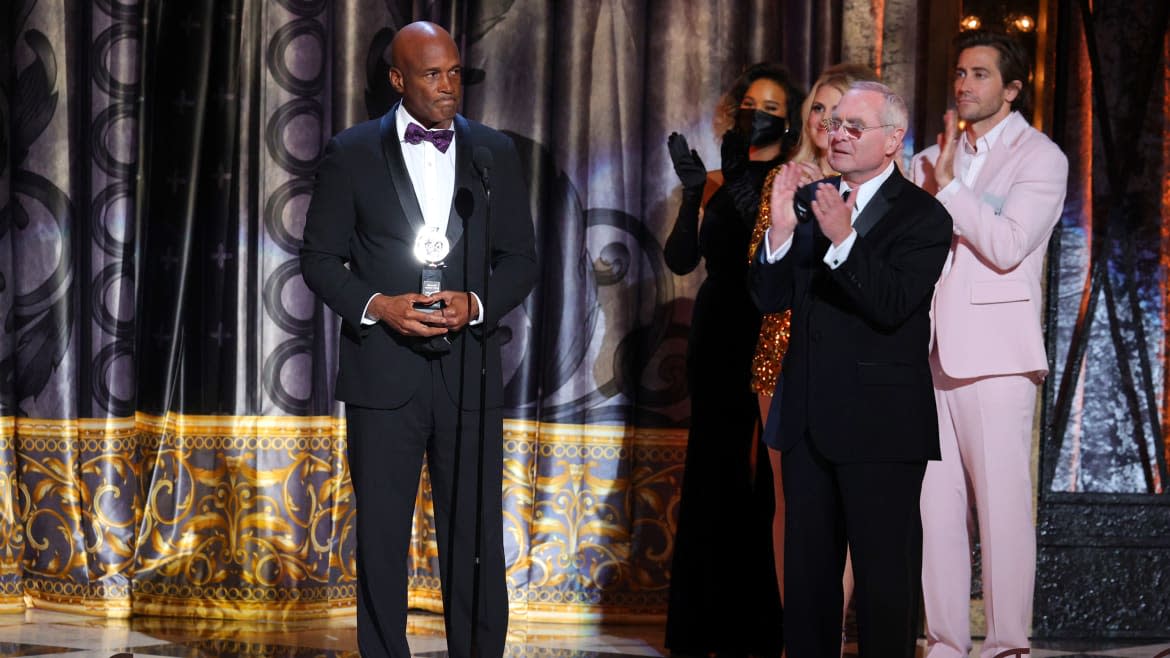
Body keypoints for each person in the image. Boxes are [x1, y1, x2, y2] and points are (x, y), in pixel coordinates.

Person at [300, 21, 537, 658]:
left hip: (470, 375)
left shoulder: (493, 153)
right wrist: (379, 306)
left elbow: (521, 259)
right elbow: (318, 259)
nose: (449, 85)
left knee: (476, 538)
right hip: (384, 375)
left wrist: (477, 303)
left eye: (456, 71)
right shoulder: (350, 152)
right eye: (433, 74)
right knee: (380, 539)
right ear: (398, 80)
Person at [752, 81, 952, 658]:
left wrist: (843, 237)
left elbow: (892, 304)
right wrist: (781, 232)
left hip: (882, 427)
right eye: (834, 123)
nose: (836, 134)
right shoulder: (812, 200)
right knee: (809, 586)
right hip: (809, 419)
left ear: (892, 141)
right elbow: (769, 299)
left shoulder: (924, 217)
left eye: (853, 127)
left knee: (884, 585)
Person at [911, 30, 1068, 658]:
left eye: (979, 74)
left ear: (1011, 87)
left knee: (1001, 508)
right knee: (936, 512)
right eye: (959, 73)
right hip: (926, 353)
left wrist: (950, 189)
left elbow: (1006, 245)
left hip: (998, 355)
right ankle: (945, 641)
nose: (963, 85)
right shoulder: (928, 156)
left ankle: (1006, 643)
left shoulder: (1040, 157)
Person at [663, 62, 805, 658]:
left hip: (772, 329)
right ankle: (699, 627)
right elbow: (678, 261)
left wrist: (745, 178)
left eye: (769, 106)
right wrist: (696, 193)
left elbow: (768, 248)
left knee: (766, 480)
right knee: (713, 469)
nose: (756, 114)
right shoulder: (718, 179)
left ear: (789, 118)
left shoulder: (799, 180)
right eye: (748, 104)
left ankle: (759, 627)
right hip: (718, 329)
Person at [748, 62, 878, 631]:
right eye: (819, 109)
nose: (828, 121)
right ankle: (796, 633)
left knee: (843, 505)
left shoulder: (874, 191)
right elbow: (762, 273)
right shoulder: (787, 178)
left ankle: (828, 630)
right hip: (779, 356)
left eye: (841, 111)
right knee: (790, 506)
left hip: (848, 362)